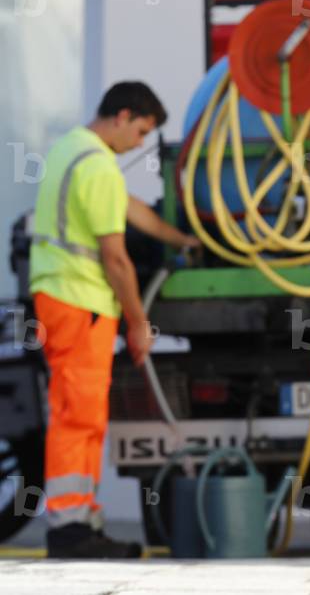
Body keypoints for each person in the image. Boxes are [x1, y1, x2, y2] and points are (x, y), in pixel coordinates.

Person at [29, 82, 199, 558]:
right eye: (142, 131)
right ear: (122, 116)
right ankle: (69, 526)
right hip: (80, 301)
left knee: (80, 414)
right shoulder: (98, 165)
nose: (141, 143)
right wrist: (139, 323)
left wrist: (182, 239)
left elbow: (133, 211)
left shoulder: (72, 150)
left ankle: (79, 519)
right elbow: (117, 259)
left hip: (60, 299)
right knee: (78, 418)